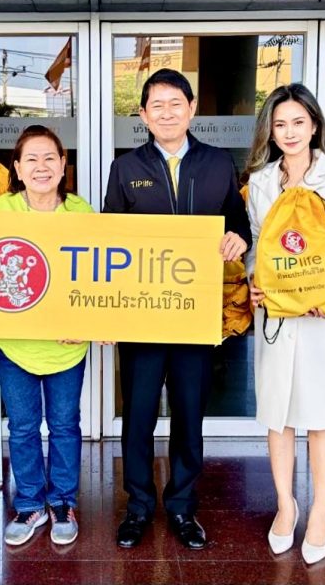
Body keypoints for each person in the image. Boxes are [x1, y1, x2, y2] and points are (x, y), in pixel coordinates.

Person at [103, 69, 252, 550]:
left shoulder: (218, 163)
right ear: (143, 115)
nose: (166, 113)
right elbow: (109, 241)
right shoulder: (125, 168)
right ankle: (138, 507)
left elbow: (238, 222)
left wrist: (238, 238)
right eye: (156, 106)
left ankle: (183, 507)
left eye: (175, 104)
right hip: (143, 317)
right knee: (138, 416)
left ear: (191, 109)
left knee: (190, 416)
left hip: (194, 315)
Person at [0, 125, 94, 547]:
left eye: (50, 158)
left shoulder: (81, 212)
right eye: (31, 159)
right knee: (24, 427)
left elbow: (96, 276)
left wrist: (95, 324)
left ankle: (62, 502)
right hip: (15, 344)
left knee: (65, 425)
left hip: (67, 345)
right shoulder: (1, 210)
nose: (41, 167)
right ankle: (30, 504)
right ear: (16, 167)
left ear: (64, 165)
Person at [244, 83, 325, 564]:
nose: (290, 132)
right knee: (279, 414)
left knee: (320, 416)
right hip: (278, 315)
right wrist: (255, 280)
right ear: (270, 132)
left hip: (324, 315)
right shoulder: (261, 181)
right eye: (280, 124)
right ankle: (284, 505)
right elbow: (258, 243)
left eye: (298, 122)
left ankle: (320, 512)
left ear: (314, 125)